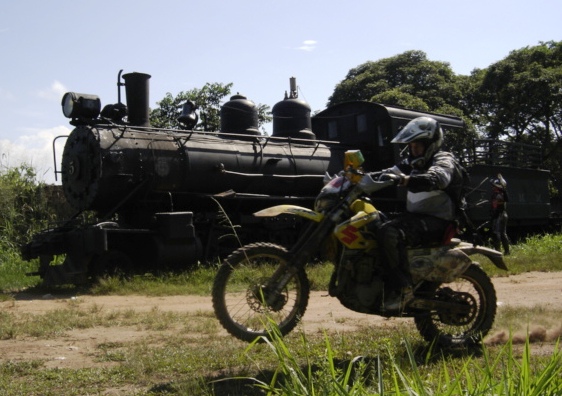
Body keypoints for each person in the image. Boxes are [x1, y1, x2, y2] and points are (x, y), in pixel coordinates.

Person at [359, 116, 467, 311]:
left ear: (430, 144)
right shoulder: (412, 162)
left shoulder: (443, 158)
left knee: (389, 232)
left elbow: (439, 178)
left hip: (440, 220)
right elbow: (386, 173)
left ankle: (403, 289)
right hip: (418, 218)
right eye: (411, 146)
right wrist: (353, 178)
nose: (413, 150)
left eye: (417, 146)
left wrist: (405, 180)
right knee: (373, 222)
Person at [490, 174, 510, 255]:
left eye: (494, 186)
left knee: (496, 232)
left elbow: (496, 205)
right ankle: (507, 251)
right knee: (503, 233)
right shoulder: (503, 193)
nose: (492, 187)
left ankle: (497, 251)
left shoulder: (498, 194)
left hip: (499, 215)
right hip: (503, 214)